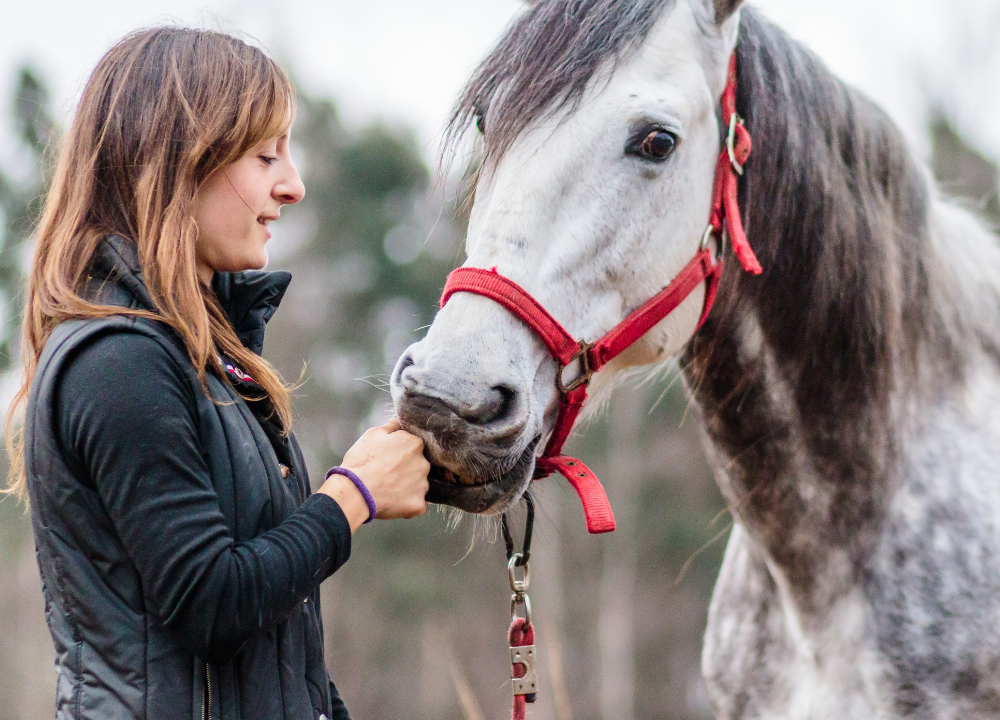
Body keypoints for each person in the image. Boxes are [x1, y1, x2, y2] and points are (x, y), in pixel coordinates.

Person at [4, 27, 431, 720]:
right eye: (265, 156)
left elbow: (268, 644)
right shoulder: (119, 363)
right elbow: (213, 602)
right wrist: (354, 495)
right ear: (179, 163)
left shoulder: (204, 363)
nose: (292, 185)